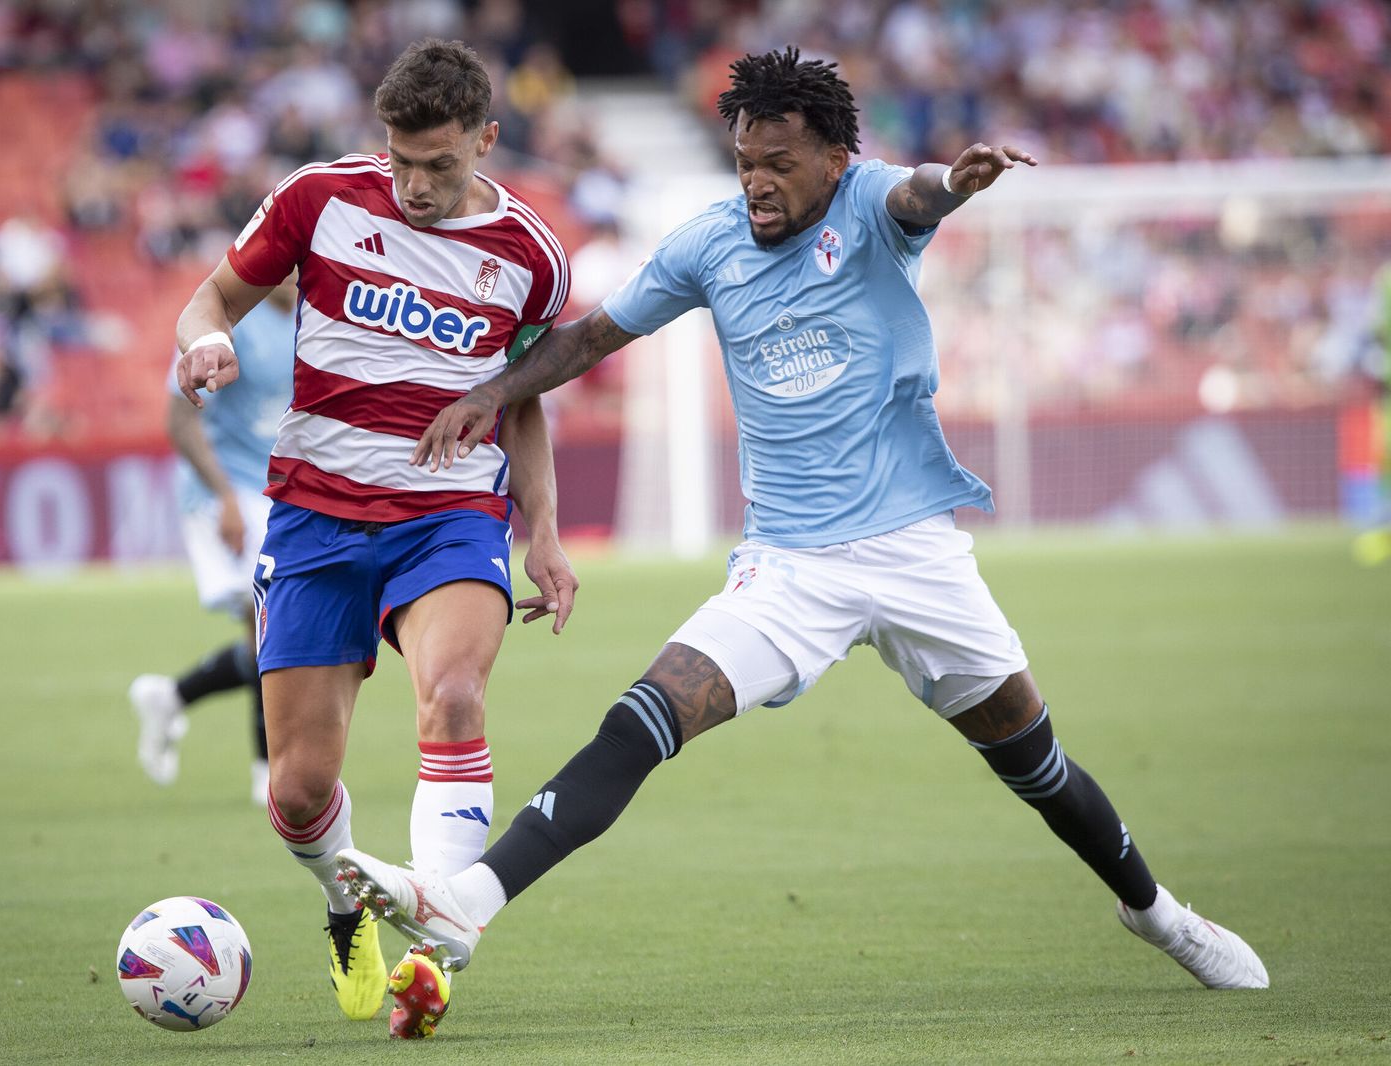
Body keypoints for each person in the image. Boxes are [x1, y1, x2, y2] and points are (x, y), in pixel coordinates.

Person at [334, 47, 1269, 1034]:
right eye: (744, 162)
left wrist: (954, 182)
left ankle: (1157, 913)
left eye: (778, 164)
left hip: (914, 554)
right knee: (642, 718)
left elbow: (916, 195)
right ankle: (469, 902)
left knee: (1035, 765)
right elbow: (591, 337)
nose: (756, 183)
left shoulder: (871, 206)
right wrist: (492, 393)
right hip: (787, 567)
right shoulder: (709, 244)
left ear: (831, 160)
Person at [173, 38, 579, 1039]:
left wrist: (545, 531)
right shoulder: (319, 198)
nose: (415, 185)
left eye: (438, 164)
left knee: (455, 694)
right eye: (400, 159)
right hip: (314, 518)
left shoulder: (532, 256)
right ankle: (343, 899)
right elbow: (210, 299)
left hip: (448, 518)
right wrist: (207, 342)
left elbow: (523, 397)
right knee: (298, 787)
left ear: (485, 139)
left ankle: (432, 949)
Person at [129, 280, 297, 806]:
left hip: (275, 489)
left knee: (273, 629)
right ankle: (268, 772)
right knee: (271, 624)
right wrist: (224, 498)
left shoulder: (316, 314)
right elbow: (178, 419)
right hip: (224, 491)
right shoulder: (225, 320)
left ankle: (172, 696)